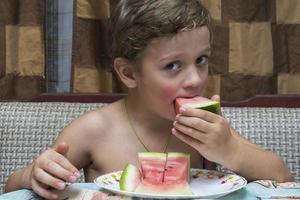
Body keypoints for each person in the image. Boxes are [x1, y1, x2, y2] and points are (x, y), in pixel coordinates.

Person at [5, 0, 292, 199]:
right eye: (173, 66)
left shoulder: (206, 125)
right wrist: (34, 174)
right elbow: (11, 189)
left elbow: (281, 177)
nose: (195, 79)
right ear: (129, 73)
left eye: (201, 60)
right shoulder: (93, 130)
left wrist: (230, 150)